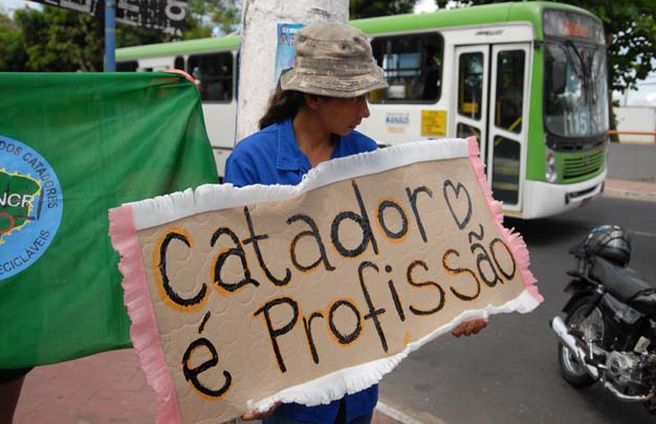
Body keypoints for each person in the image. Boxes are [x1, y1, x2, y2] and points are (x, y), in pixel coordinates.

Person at [224, 21, 487, 424]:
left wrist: (459, 302)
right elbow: (240, 285)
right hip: (291, 390)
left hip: (356, 389)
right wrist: (253, 380)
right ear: (313, 97)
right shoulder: (250, 161)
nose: (366, 111)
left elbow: (405, 247)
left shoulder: (368, 157)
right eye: (355, 99)